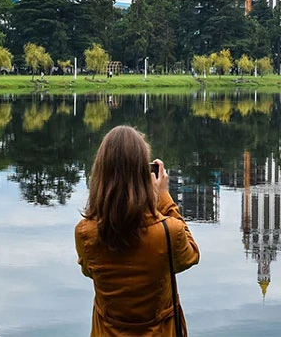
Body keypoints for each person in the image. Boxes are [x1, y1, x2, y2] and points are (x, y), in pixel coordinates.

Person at [74, 125, 200, 336]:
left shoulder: (85, 232)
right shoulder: (169, 231)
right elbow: (190, 256)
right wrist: (163, 199)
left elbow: (89, 271)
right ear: (144, 175)